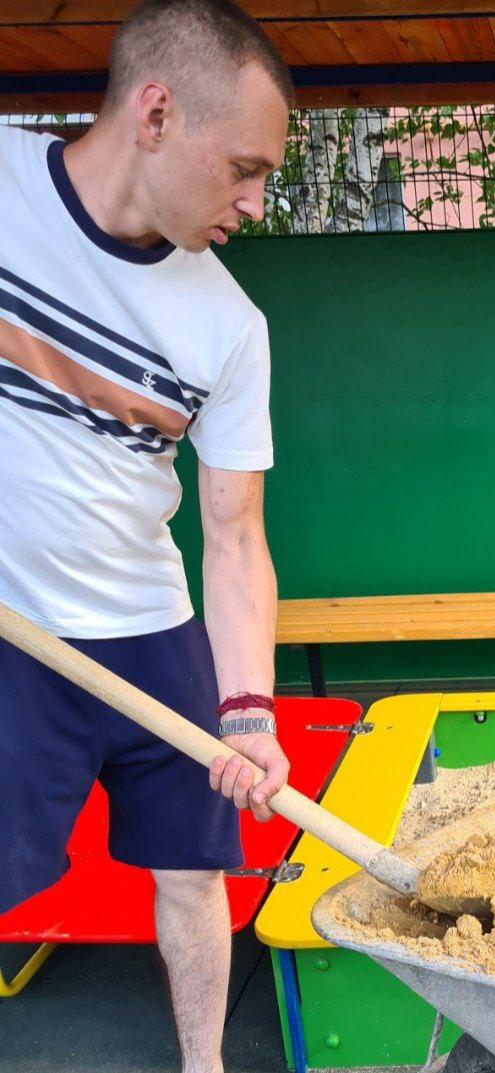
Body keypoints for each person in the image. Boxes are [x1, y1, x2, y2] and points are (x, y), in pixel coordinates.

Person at [0, 2, 294, 1069]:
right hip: (14, 635)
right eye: (245, 169)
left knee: (193, 867)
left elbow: (234, 535)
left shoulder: (229, 327)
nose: (255, 203)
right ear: (158, 112)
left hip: (149, 624)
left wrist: (249, 711)